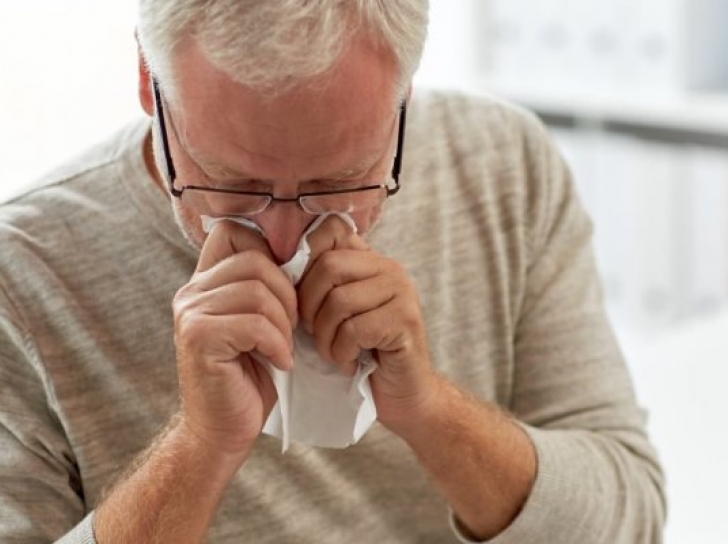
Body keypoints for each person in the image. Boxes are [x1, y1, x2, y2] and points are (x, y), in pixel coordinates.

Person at [0, 2, 665, 542]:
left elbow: (630, 518)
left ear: (403, 94)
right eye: (234, 183)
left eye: (339, 182)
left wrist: (428, 409)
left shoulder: (502, 165)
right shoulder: (23, 269)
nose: (288, 237)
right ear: (149, 79)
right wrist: (198, 449)